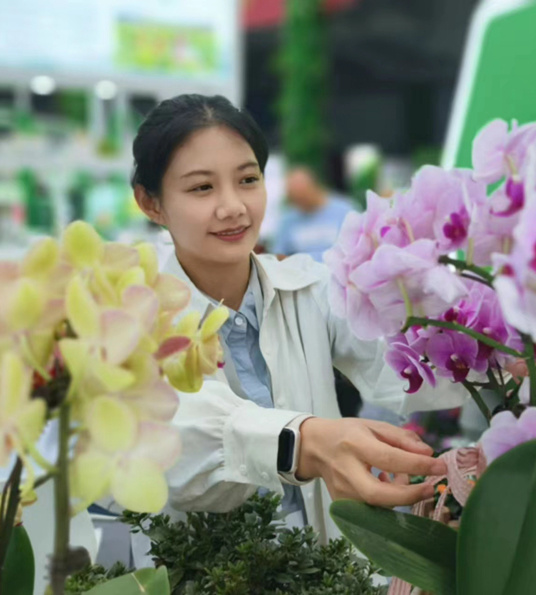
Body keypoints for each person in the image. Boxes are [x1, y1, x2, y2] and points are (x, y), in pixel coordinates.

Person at [131, 94, 465, 542]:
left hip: (325, 566)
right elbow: (178, 439)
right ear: (150, 203)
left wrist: (494, 350)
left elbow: (397, 362)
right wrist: (304, 442)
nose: (233, 207)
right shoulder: (134, 313)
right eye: (201, 188)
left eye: (248, 180)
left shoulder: (310, 287)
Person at [270, 166, 354, 262]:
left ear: (315, 187)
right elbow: (278, 254)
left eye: (303, 197)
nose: (300, 203)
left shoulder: (345, 211)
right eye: (295, 199)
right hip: (301, 274)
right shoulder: (287, 220)